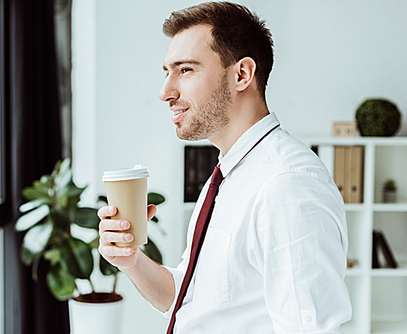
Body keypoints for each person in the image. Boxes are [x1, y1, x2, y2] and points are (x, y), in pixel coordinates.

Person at [98, 2, 352, 333]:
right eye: (167, 72)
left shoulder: (286, 185)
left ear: (241, 74)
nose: (165, 92)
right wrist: (130, 260)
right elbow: (188, 300)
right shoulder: (228, 174)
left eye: (185, 70)